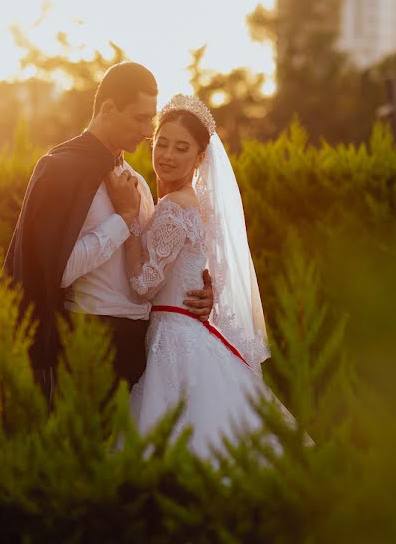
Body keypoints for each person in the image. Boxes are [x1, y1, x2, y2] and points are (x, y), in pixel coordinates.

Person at [1, 63, 214, 407]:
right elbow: (54, 271)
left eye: (151, 120)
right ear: (109, 109)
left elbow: (155, 260)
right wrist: (122, 220)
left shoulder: (137, 182)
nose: (148, 132)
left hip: (144, 346)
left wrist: (203, 288)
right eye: (140, 118)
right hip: (90, 339)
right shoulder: (59, 169)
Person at [124, 95, 296, 457]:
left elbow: (142, 287)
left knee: (169, 441)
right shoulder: (194, 203)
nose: (167, 155)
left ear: (200, 157)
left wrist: (128, 222)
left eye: (181, 148)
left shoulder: (174, 206)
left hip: (171, 340)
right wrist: (209, 288)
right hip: (190, 330)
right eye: (162, 143)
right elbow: (204, 267)